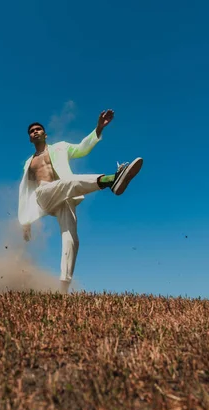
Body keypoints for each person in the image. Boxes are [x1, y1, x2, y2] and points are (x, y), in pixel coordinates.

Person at [18, 110, 143, 294]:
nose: (35, 132)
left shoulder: (60, 147)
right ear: (30, 138)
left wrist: (99, 128)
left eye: (38, 129)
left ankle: (63, 289)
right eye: (31, 131)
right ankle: (111, 179)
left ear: (45, 134)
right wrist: (26, 221)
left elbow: (82, 148)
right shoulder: (29, 163)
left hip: (65, 196)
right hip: (44, 194)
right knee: (70, 182)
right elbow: (26, 192)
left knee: (71, 240)